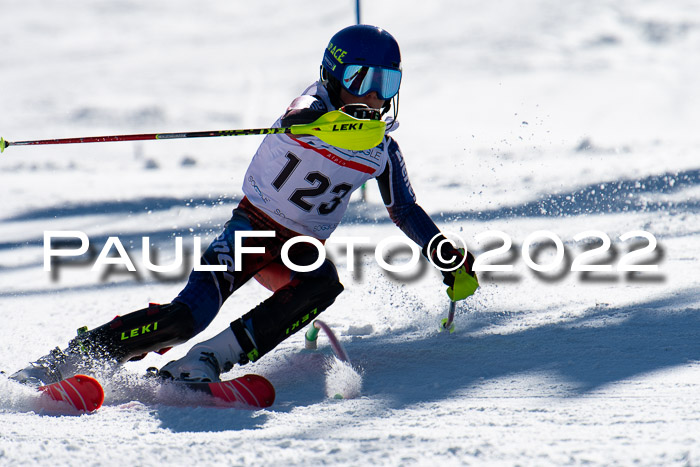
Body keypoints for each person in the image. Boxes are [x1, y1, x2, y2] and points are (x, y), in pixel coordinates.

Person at [11, 24, 479, 386]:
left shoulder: (381, 149)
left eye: (386, 81)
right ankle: (73, 358)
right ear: (334, 78)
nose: (375, 94)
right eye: (362, 78)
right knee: (184, 318)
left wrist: (444, 254)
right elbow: (298, 111)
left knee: (321, 286)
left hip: (300, 248)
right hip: (251, 231)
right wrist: (321, 120)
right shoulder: (313, 108)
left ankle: (206, 362)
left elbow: (405, 211)